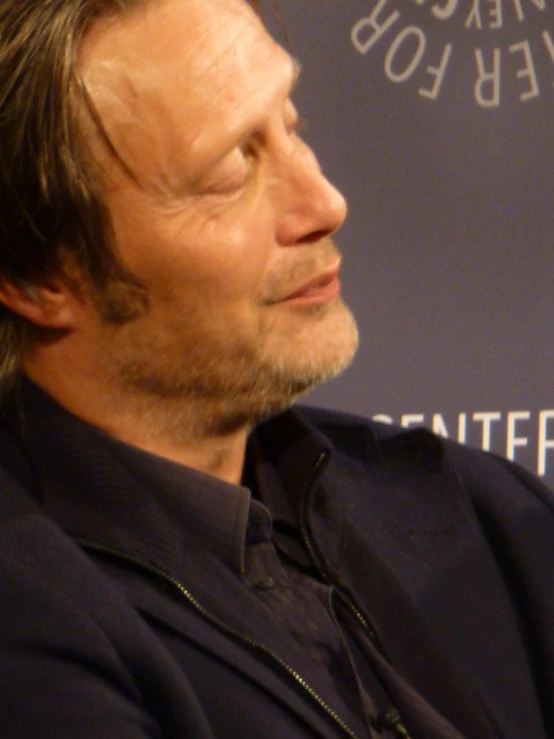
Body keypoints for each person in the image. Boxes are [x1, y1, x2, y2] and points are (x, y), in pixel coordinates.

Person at [0, 1, 553, 738]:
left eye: (289, 124)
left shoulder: (480, 513)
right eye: (231, 169)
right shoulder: (32, 623)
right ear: (41, 277)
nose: (325, 203)